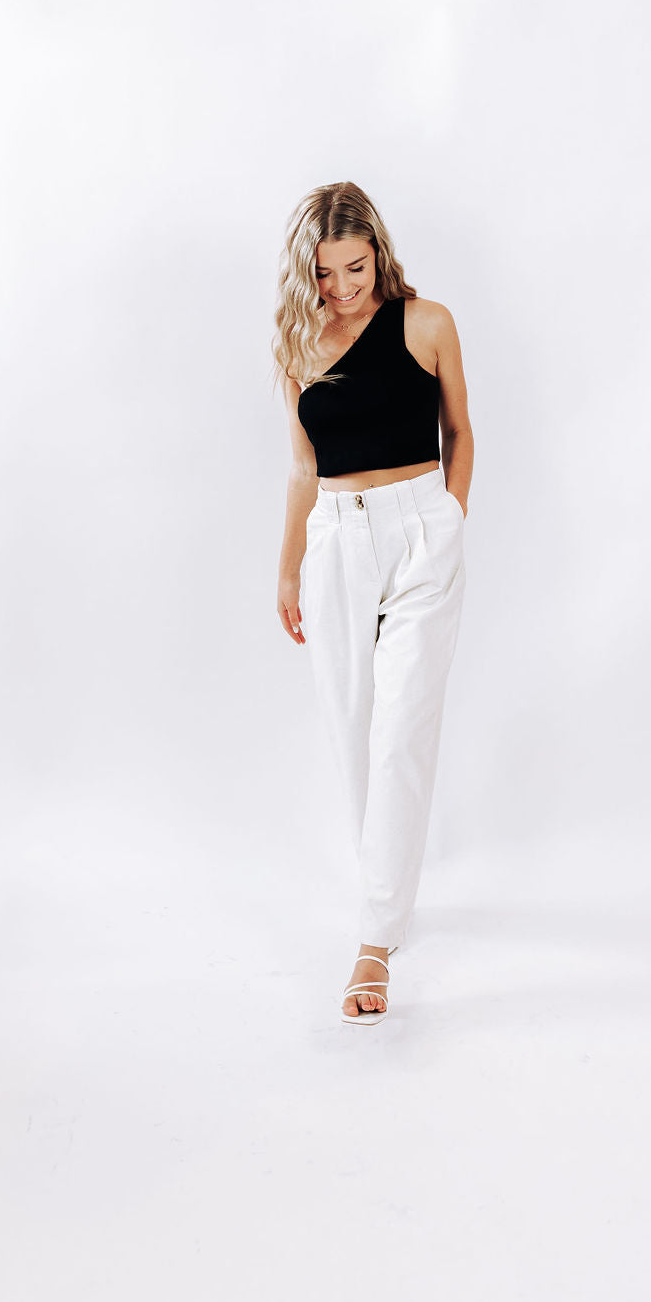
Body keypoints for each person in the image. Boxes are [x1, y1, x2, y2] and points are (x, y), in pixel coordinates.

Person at [272, 180, 473, 1025]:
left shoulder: (427, 324)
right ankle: (389, 895)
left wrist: (451, 517)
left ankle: (374, 941)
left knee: (400, 734)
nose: (342, 287)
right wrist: (289, 568)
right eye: (324, 273)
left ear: (378, 254)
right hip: (336, 541)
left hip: (421, 532)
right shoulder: (298, 343)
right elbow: (303, 467)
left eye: (355, 268)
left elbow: (460, 433)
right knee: (353, 732)